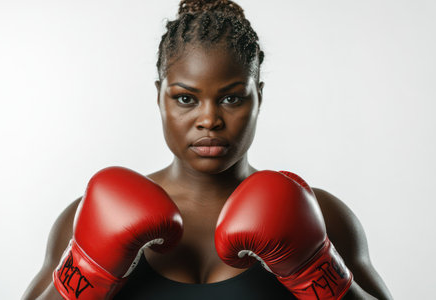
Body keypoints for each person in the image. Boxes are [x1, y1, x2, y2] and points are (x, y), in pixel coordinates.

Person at [22, 0, 393, 299]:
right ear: (159, 97)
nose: (209, 119)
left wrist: (316, 270)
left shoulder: (320, 214)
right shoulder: (88, 214)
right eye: (186, 98)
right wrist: (87, 273)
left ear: (258, 97)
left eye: (232, 97)